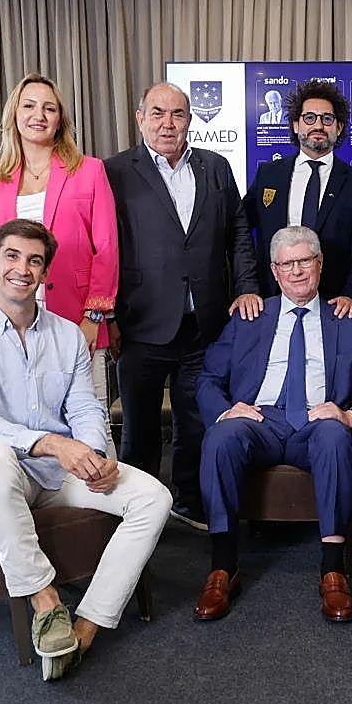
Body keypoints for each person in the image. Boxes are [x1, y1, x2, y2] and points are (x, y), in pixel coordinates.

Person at [0, 219, 171, 681]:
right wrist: (53, 444)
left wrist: (95, 455)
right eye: (12, 256)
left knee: (153, 497)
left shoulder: (68, 336)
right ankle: (45, 602)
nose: (22, 269)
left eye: (34, 261)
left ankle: (84, 627)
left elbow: (86, 406)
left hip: (59, 475)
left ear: (45, 273)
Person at [193, 227, 352, 623]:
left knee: (334, 434)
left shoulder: (347, 320)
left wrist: (349, 414)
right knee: (221, 438)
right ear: (274, 271)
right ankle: (223, 567)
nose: (296, 271)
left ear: (320, 265)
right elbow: (207, 378)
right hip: (260, 420)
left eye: (304, 261)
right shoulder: (250, 316)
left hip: (317, 420)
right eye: (287, 264)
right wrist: (226, 411)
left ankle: (333, 569)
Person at [104, 82, 262, 530]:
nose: (167, 123)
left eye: (177, 114)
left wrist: (246, 286)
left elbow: (237, 231)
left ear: (190, 121)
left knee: (196, 420)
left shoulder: (215, 167)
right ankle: (137, 513)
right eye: (157, 113)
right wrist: (108, 315)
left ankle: (189, 502)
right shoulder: (115, 171)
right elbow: (105, 245)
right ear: (140, 118)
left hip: (204, 321)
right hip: (142, 319)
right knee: (139, 427)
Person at [0, 73, 118, 448]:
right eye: (29, 106)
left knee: (89, 417)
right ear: (14, 115)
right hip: (10, 323)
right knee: (21, 421)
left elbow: (107, 249)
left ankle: (99, 495)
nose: (39, 115)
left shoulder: (89, 171)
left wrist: (92, 318)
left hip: (76, 318)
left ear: (60, 119)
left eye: (49, 108)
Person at [244, 79, 352, 316]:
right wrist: (248, 288)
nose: (318, 125)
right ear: (296, 125)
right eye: (309, 118)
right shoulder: (269, 175)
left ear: (338, 128)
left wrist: (351, 296)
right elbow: (240, 234)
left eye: (327, 119)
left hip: (333, 307)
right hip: (271, 302)